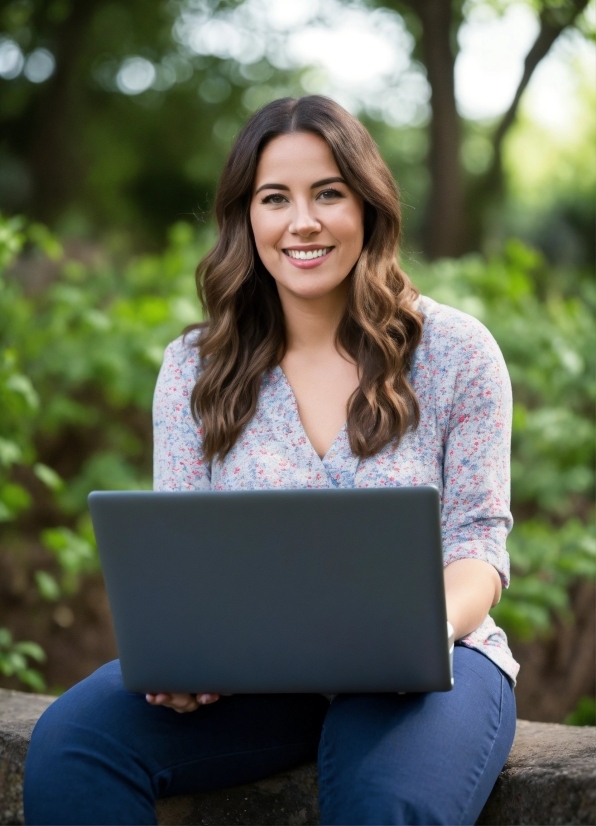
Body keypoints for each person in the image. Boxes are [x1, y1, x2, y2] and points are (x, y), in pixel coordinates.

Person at [24, 95, 518, 826]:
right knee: (72, 743)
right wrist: (185, 657)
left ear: (369, 208)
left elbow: (478, 543)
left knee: (387, 800)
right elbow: (183, 550)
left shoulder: (455, 352)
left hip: (429, 673)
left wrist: (413, 634)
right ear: (246, 218)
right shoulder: (196, 367)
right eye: (274, 198)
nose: (303, 222)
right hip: (258, 685)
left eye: (328, 194)